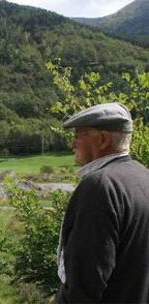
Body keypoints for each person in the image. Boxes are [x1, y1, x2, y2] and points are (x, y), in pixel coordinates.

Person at [55, 103, 149, 303]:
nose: (73, 143)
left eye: (79, 135)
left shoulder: (99, 187)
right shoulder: (143, 175)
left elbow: (84, 286)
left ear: (103, 139)